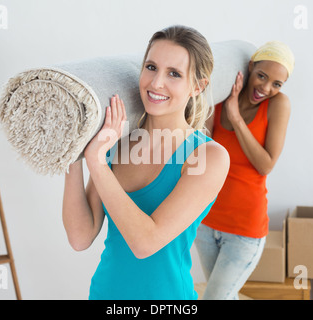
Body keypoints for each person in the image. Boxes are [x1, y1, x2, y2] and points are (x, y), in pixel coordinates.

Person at [62, 25, 229, 300]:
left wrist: (98, 163)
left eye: (174, 74)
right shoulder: (116, 142)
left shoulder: (208, 156)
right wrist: (74, 152)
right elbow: (80, 237)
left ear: (198, 86)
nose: (156, 83)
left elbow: (145, 243)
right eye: (151, 67)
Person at [195, 41, 295, 300]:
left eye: (277, 83)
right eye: (261, 76)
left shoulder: (278, 105)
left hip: (244, 232)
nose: (266, 88)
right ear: (250, 68)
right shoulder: (221, 97)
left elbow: (266, 164)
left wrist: (236, 118)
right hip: (206, 223)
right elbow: (202, 150)